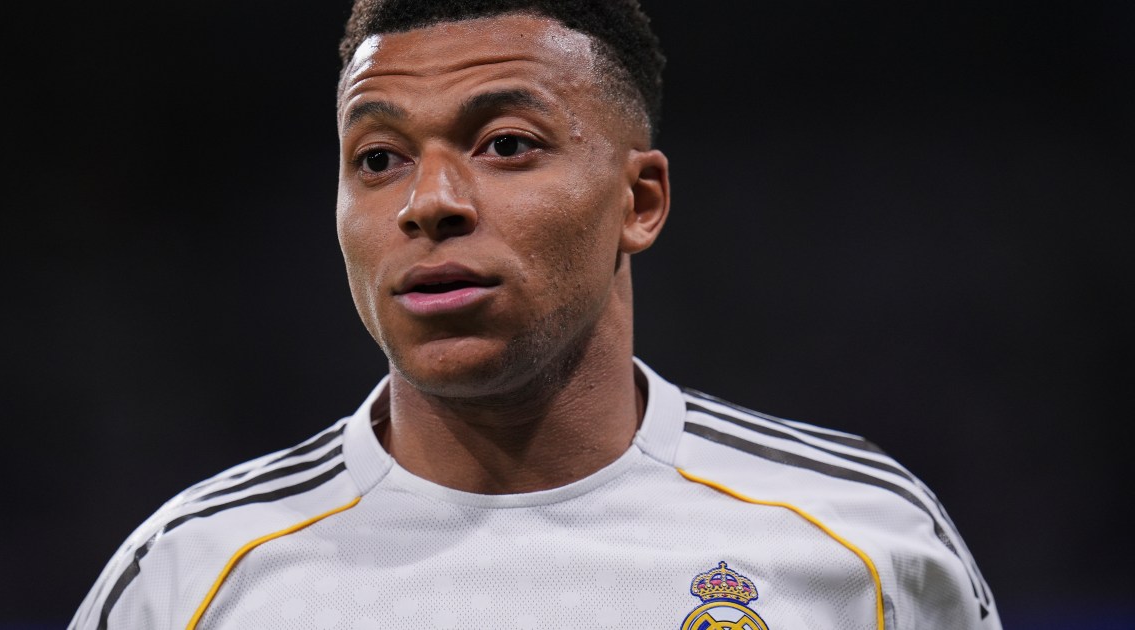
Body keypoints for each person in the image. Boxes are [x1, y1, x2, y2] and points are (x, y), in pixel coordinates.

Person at [71, 1, 1001, 628]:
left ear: (639, 202)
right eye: (379, 158)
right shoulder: (192, 579)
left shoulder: (863, 545)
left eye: (506, 144)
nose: (429, 202)